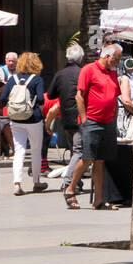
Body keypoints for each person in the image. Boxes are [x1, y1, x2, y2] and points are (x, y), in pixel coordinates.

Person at [63, 43, 122, 210]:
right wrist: (84, 118)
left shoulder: (112, 73)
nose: (117, 62)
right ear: (106, 56)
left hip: (108, 122)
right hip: (92, 121)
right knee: (88, 157)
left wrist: (114, 119)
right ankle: (70, 188)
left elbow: (115, 98)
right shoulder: (88, 69)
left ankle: (98, 200)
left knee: (100, 160)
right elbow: (79, 96)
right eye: (115, 59)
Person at [1, 52, 48, 196]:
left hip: (16, 119)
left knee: (19, 150)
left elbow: (3, 99)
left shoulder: (12, 79)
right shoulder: (37, 79)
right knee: (35, 150)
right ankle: (36, 181)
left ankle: (17, 183)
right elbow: (41, 99)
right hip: (34, 119)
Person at [49, 43, 84, 183]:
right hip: (80, 117)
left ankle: (77, 182)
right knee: (78, 151)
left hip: (66, 118)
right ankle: (68, 181)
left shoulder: (60, 74)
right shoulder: (82, 73)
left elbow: (51, 95)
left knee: (73, 150)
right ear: (81, 58)